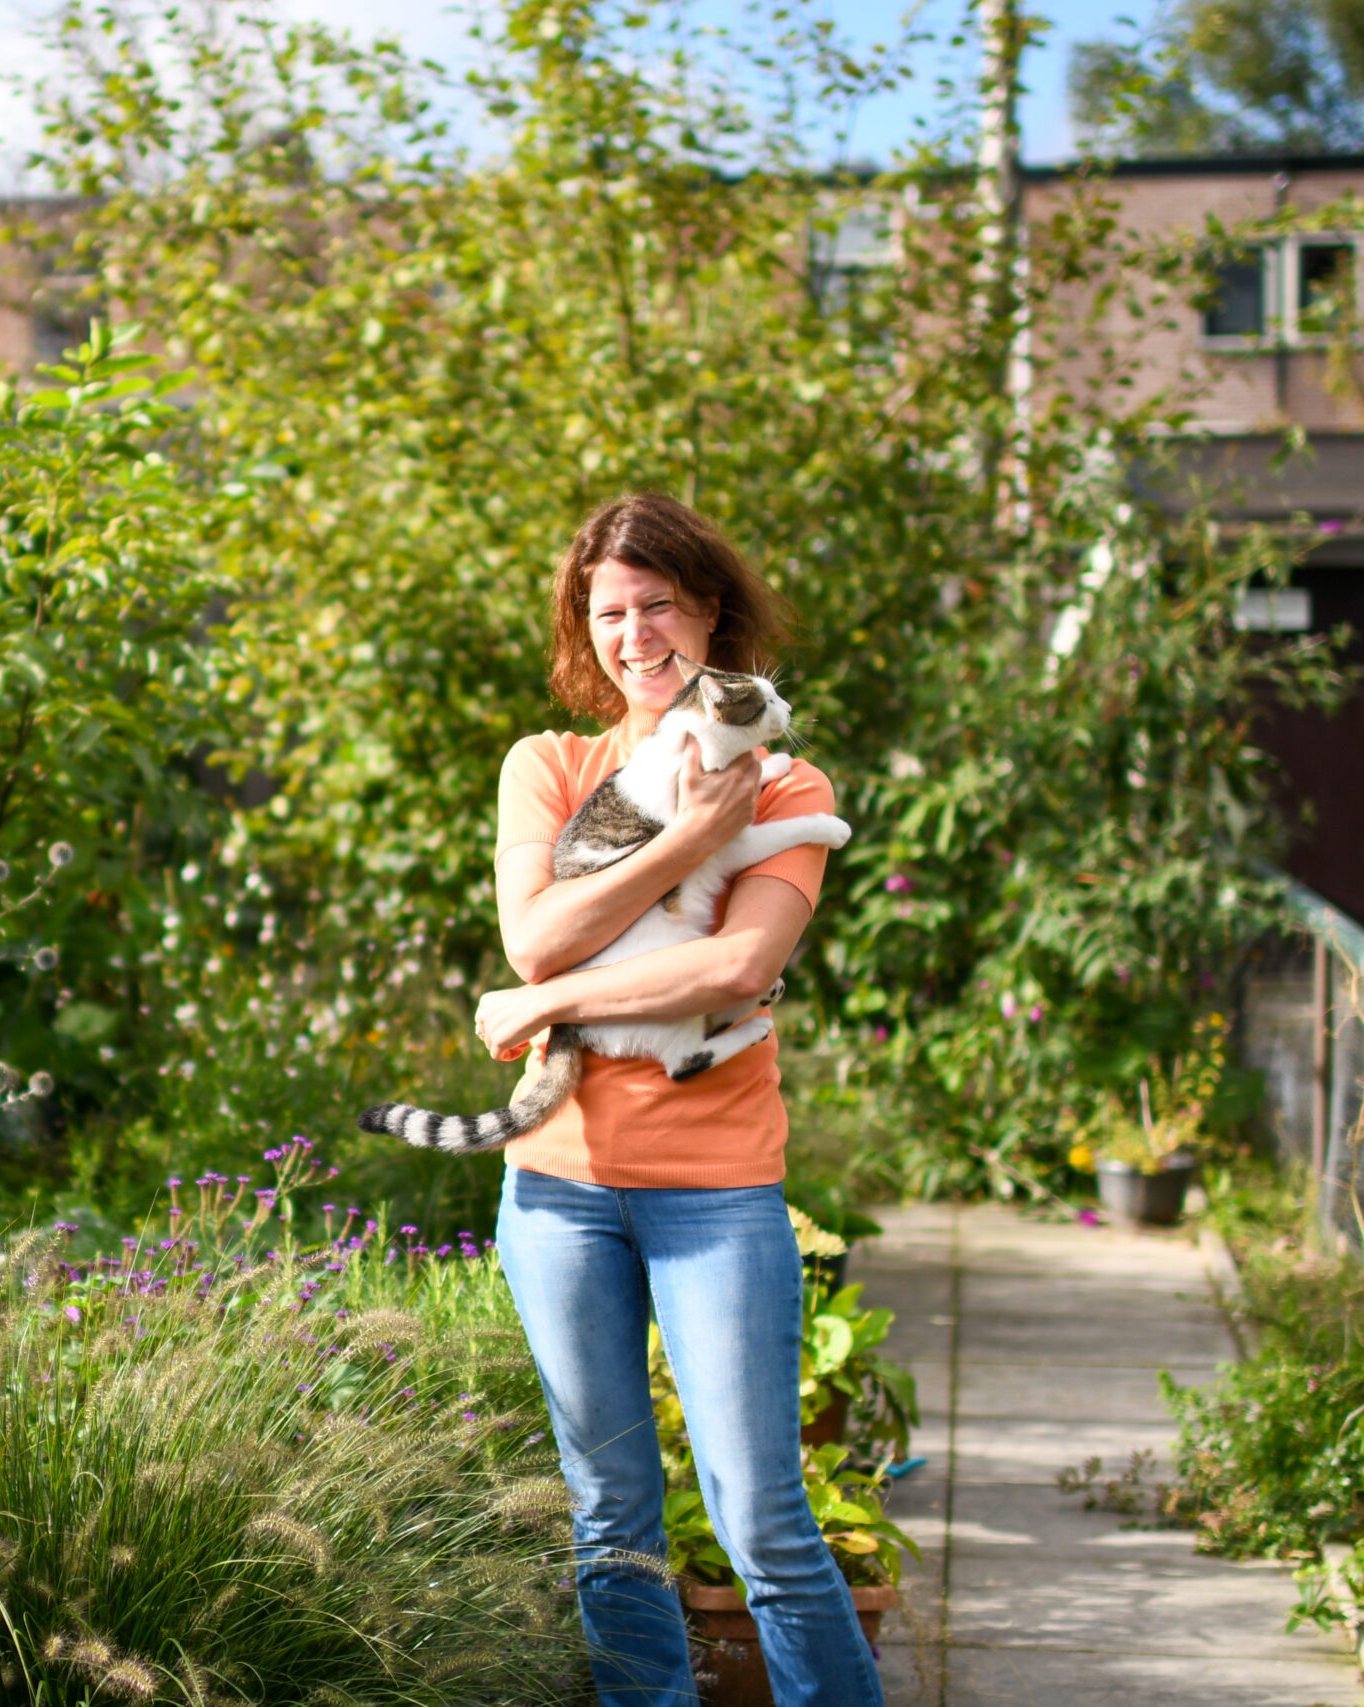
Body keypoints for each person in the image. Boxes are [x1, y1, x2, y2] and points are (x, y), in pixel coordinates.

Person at [470, 492, 882, 1706]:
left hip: (715, 1195)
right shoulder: (547, 767)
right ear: (581, 628)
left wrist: (540, 1005)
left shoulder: (786, 773)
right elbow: (537, 940)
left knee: (763, 1522)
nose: (635, 633)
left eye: (658, 604)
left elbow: (738, 966)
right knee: (612, 1528)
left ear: (709, 612)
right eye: (609, 611)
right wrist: (681, 837)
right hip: (557, 1192)